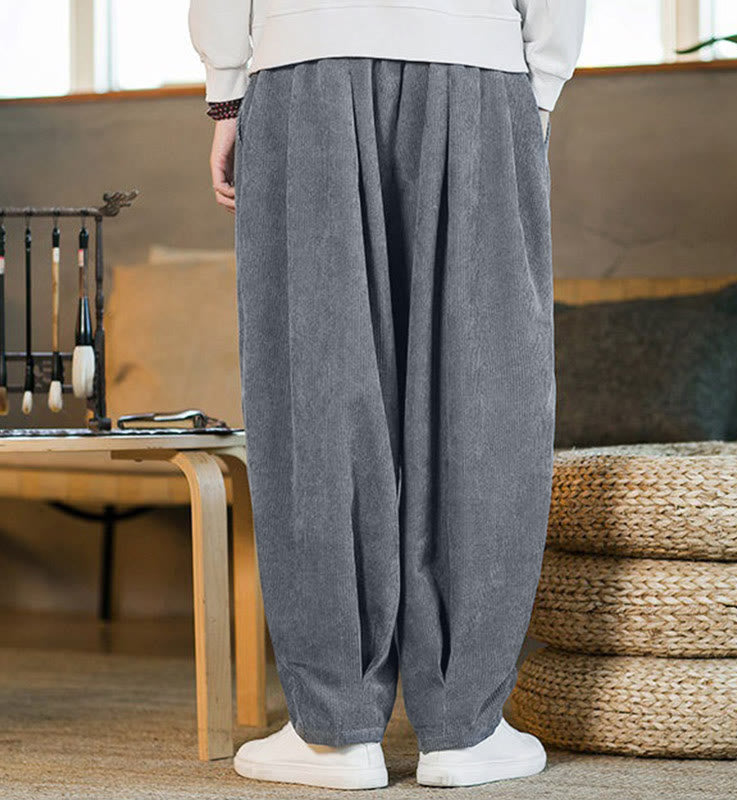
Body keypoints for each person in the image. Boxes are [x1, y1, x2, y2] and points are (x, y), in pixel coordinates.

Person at [189, 0, 585, 790]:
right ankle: (465, 728)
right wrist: (537, 86)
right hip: (479, 66)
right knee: (485, 385)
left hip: (303, 65)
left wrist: (228, 93)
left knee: (316, 383)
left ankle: (336, 731)